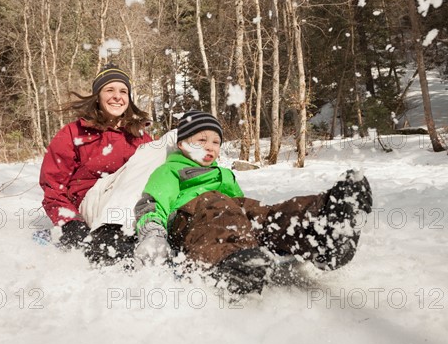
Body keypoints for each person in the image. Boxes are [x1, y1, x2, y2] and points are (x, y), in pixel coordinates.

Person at [133, 110, 373, 294]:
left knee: (265, 214)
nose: (209, 147)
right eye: (201, 140)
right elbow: (153, 203)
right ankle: (231, 263)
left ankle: (323, 224)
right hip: (190, 221)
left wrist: (249, 215)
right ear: (182, 144)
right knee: (219, 206)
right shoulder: (170, 170)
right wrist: (152, 233)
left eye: (215, 142)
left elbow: (240, 212)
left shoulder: (223, 173)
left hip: (225, 215)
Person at [39, 63, 152, 263]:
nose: (117, 96)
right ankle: (109, 241)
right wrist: (70, 223)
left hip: (130, 207)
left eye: (123, 91)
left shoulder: (139, 136)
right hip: (89, 207)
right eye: (110, 90)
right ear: (97, 97)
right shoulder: (74, 133)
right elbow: (53, 186)